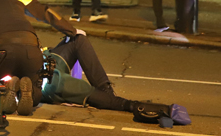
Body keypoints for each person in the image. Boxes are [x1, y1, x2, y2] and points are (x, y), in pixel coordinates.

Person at [42, 34, 181, 124]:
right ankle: (129, 104)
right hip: (48, 79)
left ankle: (107, 93)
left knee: (78, 40)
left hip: (48, 59)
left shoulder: (20, 4)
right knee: (89, 93)